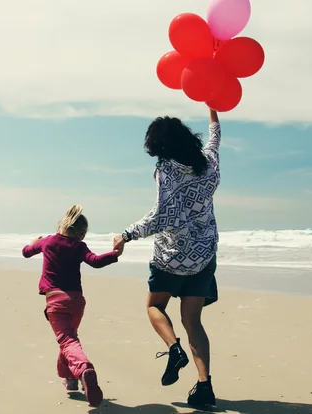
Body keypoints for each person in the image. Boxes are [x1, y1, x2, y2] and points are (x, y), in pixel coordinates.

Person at [113, 108, 221, 408]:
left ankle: (174, 349)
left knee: (154, 306)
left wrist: (127, 234)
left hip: (171, 256)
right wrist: (213, 109)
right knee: (193, 321)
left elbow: (163, 215)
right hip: (203, 255)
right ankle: (204, 386)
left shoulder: (167, 169)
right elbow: (215, 138)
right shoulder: (210, 162)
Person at [22, 205, 124, 407]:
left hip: (56, 301)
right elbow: (95, 262)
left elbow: (26, 252)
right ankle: (70, 381)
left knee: (68, 341)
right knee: (69, 339)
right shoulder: (79, 247)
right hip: (77, 302)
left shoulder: (47, 242)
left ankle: (84, 369)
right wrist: (115, 253)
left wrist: (32, 243)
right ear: (82, 233)